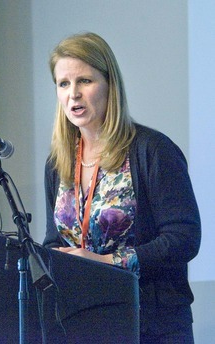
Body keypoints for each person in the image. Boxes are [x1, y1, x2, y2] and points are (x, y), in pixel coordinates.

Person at [43, 32, 201, 343]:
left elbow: (184, 237)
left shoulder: (152, 150)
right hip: (84, 322)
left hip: (151, 325)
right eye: (64, 84)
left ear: (109, 85)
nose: (73, 94)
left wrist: (108, 263)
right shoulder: (57, 163)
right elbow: (54, 241)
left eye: (84, 81)